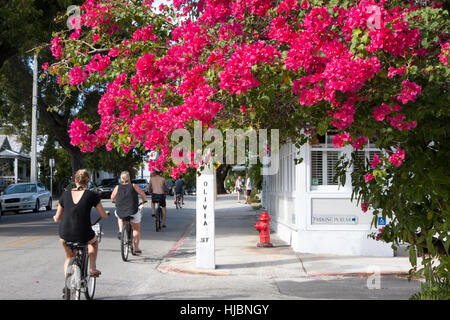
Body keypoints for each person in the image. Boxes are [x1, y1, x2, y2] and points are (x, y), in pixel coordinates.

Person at [53, 169, 109, 279]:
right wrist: (105, 214)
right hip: (84, 233)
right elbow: (102, 215)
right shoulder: (92, 195)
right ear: (88, 181)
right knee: (93, 242)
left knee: (69, 257)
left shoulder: (65, 195)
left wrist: (55, 218)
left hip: (65, 234)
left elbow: (58, 217)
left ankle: (68, 286)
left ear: (75, 180)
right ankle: (92, 268)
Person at [111, 171, 147, 254]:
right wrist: (144, 200)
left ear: (121, 179)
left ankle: (120, 231)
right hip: (133, 210)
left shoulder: (117, 187)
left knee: (119, 215)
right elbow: (142, 194)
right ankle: (136, 248)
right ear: (129, 178)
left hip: (121, 210)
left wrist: (114, 201)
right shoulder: (133, 186)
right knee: (136, 229)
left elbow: (112, 197)